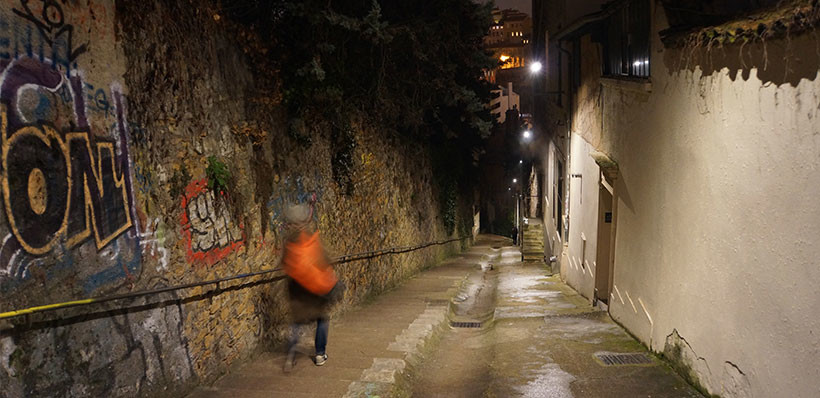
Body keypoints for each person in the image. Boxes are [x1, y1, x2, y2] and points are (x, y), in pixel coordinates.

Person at [281, 203, 340, 372]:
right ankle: (320, 354)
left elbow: (284, 265)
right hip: (315, 290)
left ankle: (291, 352)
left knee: (297, 322)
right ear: (305, 221)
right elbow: (325, 261)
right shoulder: (312, 241)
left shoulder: (288, 243)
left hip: (297, 290)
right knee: (322, 319)